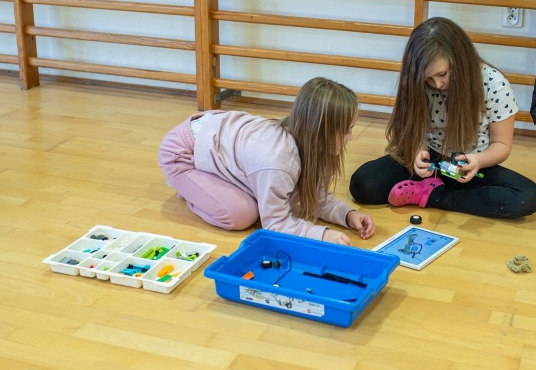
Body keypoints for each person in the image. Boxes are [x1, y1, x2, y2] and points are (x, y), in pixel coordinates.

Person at [349, 17, 536, 219]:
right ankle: (437, 190)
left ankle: (433, 196)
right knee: (363, 184)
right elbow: (413, 129)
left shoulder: (494, 84)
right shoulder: (419, 83)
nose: (437, 84)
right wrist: (418, 152)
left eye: (442, 74)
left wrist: (477, 160)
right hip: (431, 162)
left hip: (469, 167)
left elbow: (501, 144)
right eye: (429, 78)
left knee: (527, 196)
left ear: (461, 61)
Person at [158, 77, 375, 245]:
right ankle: (189, 188)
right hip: (182, 153)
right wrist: (323, 235)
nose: (351, 137)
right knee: (241, 216)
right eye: (346, 130)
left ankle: (204, 183)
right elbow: (275, 223)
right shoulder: (279, 158)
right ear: (320, 131)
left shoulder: (315, 147)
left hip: (214, 139)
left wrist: (348, 215)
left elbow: (317, 199)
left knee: (259, 203)